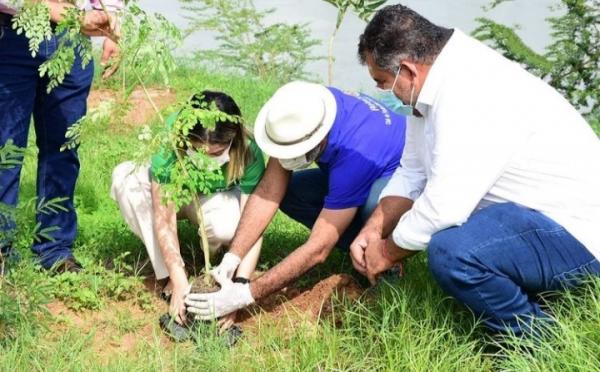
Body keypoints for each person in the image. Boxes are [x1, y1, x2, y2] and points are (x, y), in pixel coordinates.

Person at [349, 4, 600, 337]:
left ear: (408, 69)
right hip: (528, 216)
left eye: (383, 82)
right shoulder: (433, 86)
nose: (385, 93)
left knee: (454, 253)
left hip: (577, 233)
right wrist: (374, 228)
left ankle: (537, 340)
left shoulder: (471, 91)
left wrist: (387, 252)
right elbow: (412, 171)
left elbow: (443, 209)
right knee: (449, 239)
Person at [184, 81, 407, 320]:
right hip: (349, 170)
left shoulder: (354, 153)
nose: (285, 160)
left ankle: (386, 259)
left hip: (398, 180)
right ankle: (354, 244)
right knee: (291, 192)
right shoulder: (302, 111)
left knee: (374, 205)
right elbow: (269, 191)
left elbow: (317, 249)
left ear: (318, 141)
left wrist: (245, 294)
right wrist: (233, 257)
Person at [111, 91, 266, 326]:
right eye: (200, 151)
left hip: (213, 197)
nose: (208, 159)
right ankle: (168, 278)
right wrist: (179, 278)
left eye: (215, 153)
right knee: (125, 179)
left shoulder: (249, 150)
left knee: (229, 227)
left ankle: (220, 268)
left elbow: (254, 224)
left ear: (232, 140)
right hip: (172, 195)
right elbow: (163, 216)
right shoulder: (170, 139)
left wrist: (239, 288)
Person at [0, 0, 122, 275]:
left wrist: (113, 18)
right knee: (5, 151)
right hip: (11, 35)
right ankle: (1, 251)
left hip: (72, 40)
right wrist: (70, 15)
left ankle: (54, 250)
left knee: (64, 148)